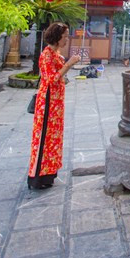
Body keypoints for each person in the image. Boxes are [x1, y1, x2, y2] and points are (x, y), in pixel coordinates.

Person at [27, 22, 80, 190]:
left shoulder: (55, 52)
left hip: (57, 100)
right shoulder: (46, 54)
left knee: (54, 136)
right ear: (57, 37)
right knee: (45, 137)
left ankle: (49, 173)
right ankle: (37, 176)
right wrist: (69, 64)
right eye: (64, 36)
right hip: (48, 100)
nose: (66, 39)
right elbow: (51, 79)